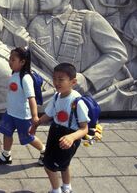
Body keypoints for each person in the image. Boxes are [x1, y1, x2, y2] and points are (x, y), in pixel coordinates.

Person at [24, 0, 128, 93]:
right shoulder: (37, 24)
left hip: (91, 97)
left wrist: (87, 78)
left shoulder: (89, 19)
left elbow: (118, 53)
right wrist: (23, 47)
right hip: (53, 96)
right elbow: (33, 65)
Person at [34, 63, 90, 193]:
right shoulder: (56, 96)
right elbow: (49, 114)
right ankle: (67, 188)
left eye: (61, 79)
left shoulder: (77, 102)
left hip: (69, 137)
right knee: (64, 166)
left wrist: (71, 137)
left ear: (73, 82)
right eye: (54, 79)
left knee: (49, 167)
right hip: (55, 133)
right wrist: (38, 122)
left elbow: (84, 129)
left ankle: (56, 190)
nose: (56, 82)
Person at [0, 47, 46, 165]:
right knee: (7, 132)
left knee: (28, 137)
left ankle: (44, 151)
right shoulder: (15, 74)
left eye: (13, 60)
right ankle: (6, 155)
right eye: (9, 59)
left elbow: (32, 98)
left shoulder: (25, 78)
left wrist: (35, 116)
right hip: (10, 113)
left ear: (22, 62)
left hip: (22, 116)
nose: (10, 62)